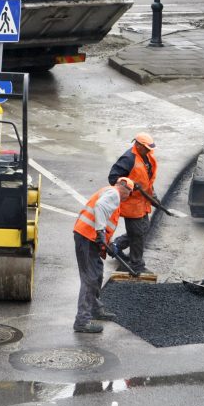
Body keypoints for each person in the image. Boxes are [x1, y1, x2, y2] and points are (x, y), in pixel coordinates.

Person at [72, 177, 134, 333]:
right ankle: (82, 321)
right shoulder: (114, 194)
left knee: (98, 273)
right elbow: (99, 208)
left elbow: (104, 225)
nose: (129, 198)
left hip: (89, 239)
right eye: (130, 194)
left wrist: (109, 246)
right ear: (126, 189)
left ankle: (95, 309)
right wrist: (99, 232)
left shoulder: (110, 194)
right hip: (86, 237)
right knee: (90, 278)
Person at [108, 133, 157, 274]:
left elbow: (148, 180)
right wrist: (131, 184)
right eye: (146, 148)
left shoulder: (147, 157)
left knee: (144, 228)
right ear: (138, 145)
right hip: (131, 204)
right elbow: (113, 178)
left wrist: (154, 196)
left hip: (142, 202)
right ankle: (136, 265)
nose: (149, 151)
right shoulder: (128, 158)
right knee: (137, 234)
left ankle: (116, 245)